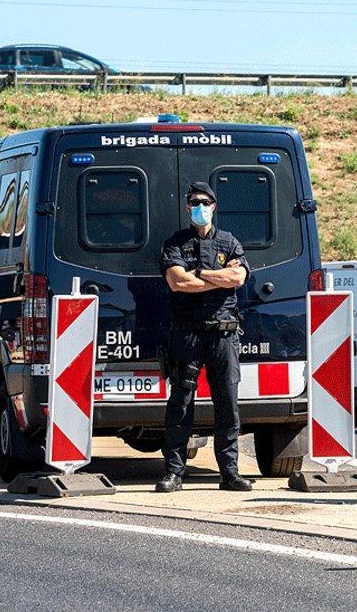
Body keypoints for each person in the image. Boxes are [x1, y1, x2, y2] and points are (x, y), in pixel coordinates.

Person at [155, 182, 253, 493]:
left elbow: (238, 277)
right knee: (181, 404)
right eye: (194, 202)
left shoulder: (229, 242)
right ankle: (174, 473)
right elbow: (177, 283)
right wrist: (217, 279)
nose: (200, 207)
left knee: (227, 403)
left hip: (223, 334)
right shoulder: (174, 244)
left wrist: (200, 274)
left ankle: (230, 474)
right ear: (187, 207)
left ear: (214, 205)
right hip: (187, 334)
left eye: (205, 202)